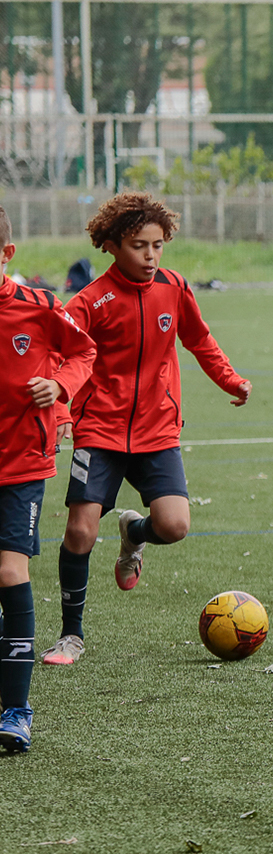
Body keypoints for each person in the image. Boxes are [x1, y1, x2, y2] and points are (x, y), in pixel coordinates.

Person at [38, 194, 251, 668]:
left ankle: (134, 533)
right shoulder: (90, 302)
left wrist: (230, 379)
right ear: (112, 246)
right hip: (99, 432)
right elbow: (58, 359)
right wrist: (62, 416)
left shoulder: (174, 287)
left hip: (158, 430)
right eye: (139, 245)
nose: (151, 256)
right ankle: (70, 636)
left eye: (158, 245)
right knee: (79, 531)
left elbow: (198, 339)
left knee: (174, 526)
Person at [0, 205, 97, 751]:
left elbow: (83, 350)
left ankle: (16, 709)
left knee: (10, 573)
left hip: (20, 465)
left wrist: (59, 386)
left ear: (7, 256)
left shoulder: (37, 307)